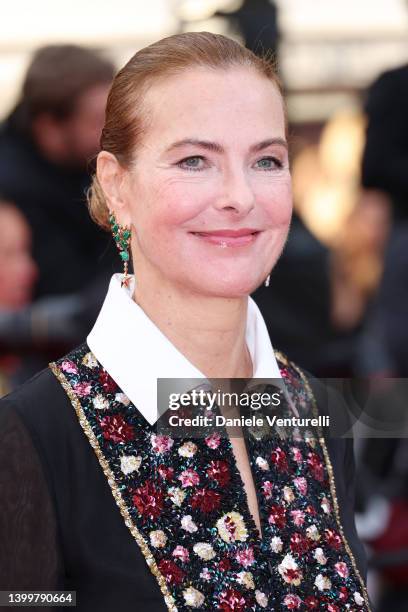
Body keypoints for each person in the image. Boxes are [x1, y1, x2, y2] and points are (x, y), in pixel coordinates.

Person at [0, 32, 371, 611]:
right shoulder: (28, 441)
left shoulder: (316, 416)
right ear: (116, 186)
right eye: (195, 160)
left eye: (266, 160)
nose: (239, 196)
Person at [0, 44, 116, 299]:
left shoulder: (79, 156)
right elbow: (74, 288)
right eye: (97, 121)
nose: (112, 132)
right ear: (49, 127)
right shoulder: (15, 190)